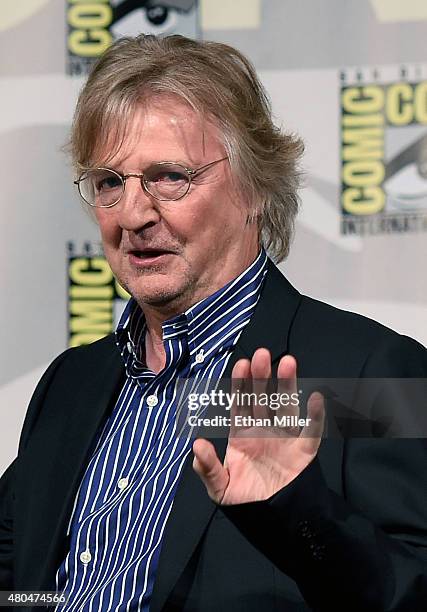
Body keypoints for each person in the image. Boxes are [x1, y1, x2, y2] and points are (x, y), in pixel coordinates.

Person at [0, 34, 426, 612]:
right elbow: (18, 583)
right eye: (109, 183)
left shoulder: (368, 373)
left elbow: (412, 593)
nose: (133, 214)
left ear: (254, 187)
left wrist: (297, 511)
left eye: (170, 176)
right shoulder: (70, 382)